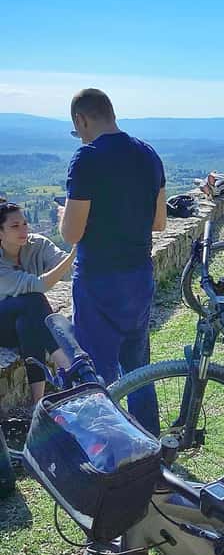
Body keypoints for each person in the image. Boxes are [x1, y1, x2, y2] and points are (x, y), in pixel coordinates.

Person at [59, 89, 167, 432]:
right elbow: (159, 222)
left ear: (81, 120)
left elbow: (71, 233)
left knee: (97, 372)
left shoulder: (87, 158)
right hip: (139, 275)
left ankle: (106, 446)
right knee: (138, 369)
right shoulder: (148, 154)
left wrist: (64, 217)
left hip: (98, 279)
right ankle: (149, 440)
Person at [0, 201, 76, 404]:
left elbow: (69, 271)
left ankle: (37, 402)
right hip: (1, 324)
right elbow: (38, 285)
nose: (23, 229)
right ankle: (67, 365)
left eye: (25, 223)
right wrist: (73, 254)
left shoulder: (37, 245)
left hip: (24, 321)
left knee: (28, 325)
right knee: (33, 299)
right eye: (15, 226)